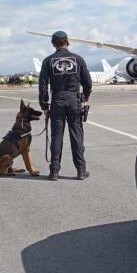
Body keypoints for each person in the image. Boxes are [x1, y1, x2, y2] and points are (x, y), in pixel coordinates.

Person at [39, 31, 92, 181]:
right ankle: (81, 171)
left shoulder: (48, 61)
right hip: (73, 99)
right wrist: (85, 96)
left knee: (56, 136)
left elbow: (43, 85)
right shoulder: (78, 59)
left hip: (57, 100)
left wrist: (44, 104)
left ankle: (54, 171)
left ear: (53, 44)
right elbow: (87, 82)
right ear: (67, 41)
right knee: (76, 136)